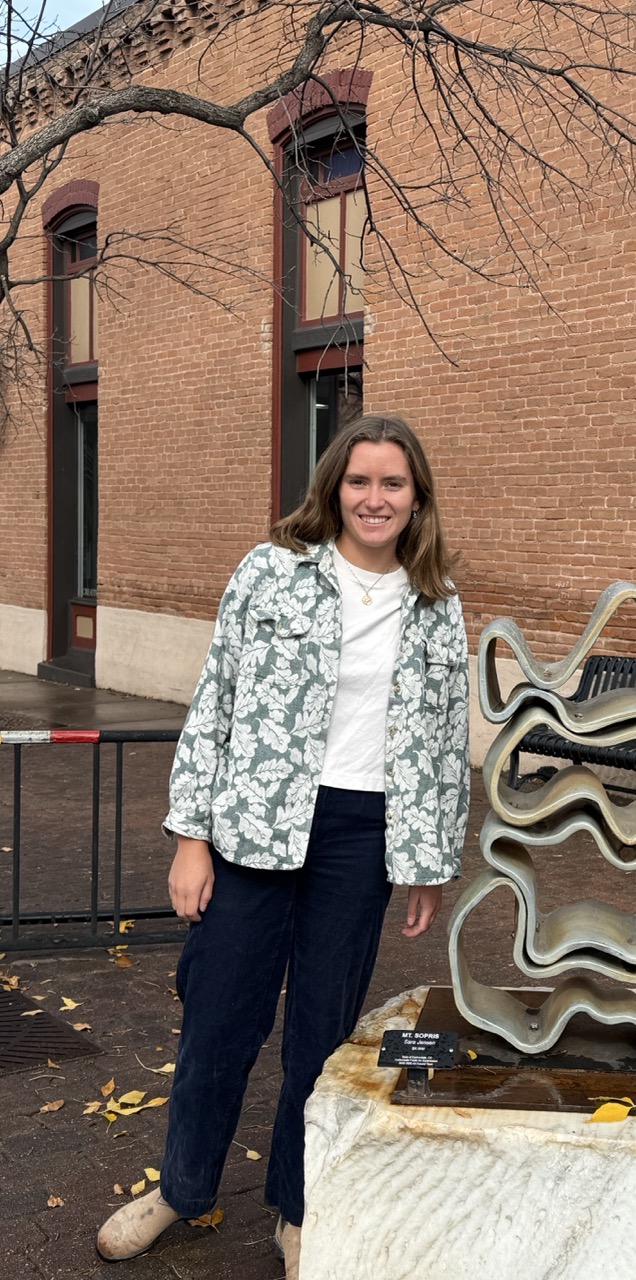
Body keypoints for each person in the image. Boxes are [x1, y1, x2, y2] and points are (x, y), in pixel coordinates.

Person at [96, 414, 470, 1278]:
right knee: (221, 1019)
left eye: (393, 484)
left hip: (363, 834)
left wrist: (429, 862)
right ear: (334, 487)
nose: (374, 498)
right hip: (255, 829)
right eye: (360, 481)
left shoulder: (437, 602)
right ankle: (181, 1191)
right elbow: (214, 703)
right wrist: (192, 837)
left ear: (417, 500)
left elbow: (446, 743)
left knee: (321, 1036)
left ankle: (297, 1210)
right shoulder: (271, 572)